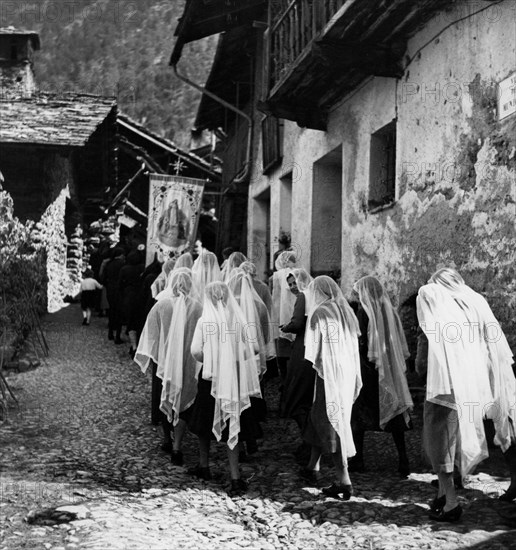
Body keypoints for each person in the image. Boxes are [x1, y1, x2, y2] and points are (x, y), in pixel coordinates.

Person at [416, 267, 515, 521]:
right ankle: (441, 495)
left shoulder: (435, 305)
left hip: (444, 387)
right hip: (472, 382)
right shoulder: (471, 305)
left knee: (441, 441)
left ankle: (450, 502)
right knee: (452, 438)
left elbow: (423, 364)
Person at [187, 281, 262, 496]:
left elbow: (195, 351)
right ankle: (235, 476)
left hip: (210, 378)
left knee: (204, 421)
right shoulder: (238, 320)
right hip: (234, 377)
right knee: (233, 422)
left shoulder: (205, 321)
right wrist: (236, 360)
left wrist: (211, 359)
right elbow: (255, 348)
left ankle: (204, 465)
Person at [300, 276, 362, 498]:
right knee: (326, 417)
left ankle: (343, 479)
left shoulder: (319, 313)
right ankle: (312, 465)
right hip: (345, 372)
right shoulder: (345, 311)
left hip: (328, 373)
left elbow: (313, 349)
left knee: (329, 420)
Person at [136, 270, 202, 464]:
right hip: (188, 362)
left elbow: (150, 335)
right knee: (185, 399)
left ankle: (166, 438)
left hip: (163, 363)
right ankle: (177, 446)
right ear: (190, 285)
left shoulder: (161, 305)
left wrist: (156, 356)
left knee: (165, 395)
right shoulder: (198, 308)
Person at [349, 276, 413, 477]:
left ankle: (358, 460)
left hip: (367, 371)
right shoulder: (390, 311)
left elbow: (360, 341)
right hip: (388, 370)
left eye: (358, 293)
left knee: (358, 415)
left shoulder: (363, 312)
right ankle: (403, 459)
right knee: (393, 412)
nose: (357, 297)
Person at [280, 269, 314, 442]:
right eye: (290, 284)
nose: (293, 287)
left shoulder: (303, 296)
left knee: (296, 395)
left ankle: (308, 438)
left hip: (303, 347)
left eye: (294, 283)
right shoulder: (316, 295)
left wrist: (286, 327)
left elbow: (298, 323)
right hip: (315, 347)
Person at [270, 251, 297, 383]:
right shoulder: (299, 274)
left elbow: (272, 299)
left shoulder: (274, 277)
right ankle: (294, 377)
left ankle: (284, 379)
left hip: (279, 316)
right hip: (296, 313)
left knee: (281, 348)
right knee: (295, 349)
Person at [118, 249, 145, 358]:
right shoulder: (143, 268)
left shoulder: (124, 269)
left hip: (128, 297)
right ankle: (139, 346)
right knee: (139, 322)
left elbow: (120, 284)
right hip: (140, 297)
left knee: (131, 323)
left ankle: (134, 347)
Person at [103, 247, 125, 343]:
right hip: (119, 290)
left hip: (110, 290)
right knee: (119, 313)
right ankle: (118, 336)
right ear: (120, 255)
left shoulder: (108, 264)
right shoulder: (122, 265)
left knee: (111, 311)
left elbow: (103, 278)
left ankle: (110, 333)